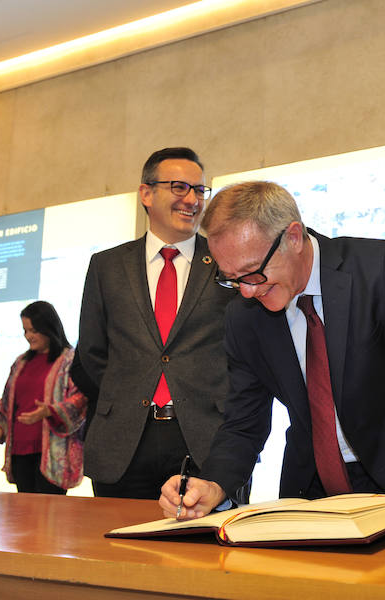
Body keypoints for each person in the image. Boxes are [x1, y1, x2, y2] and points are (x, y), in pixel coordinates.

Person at [159, 181, 385, 551]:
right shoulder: (244, 318)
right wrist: (213, 484)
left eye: (252, 272)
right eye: (231, 279)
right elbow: (243, 422)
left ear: (293, 236)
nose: (246, 291)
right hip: (311, 497)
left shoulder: (380, 268)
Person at [78, 147, 238, 499]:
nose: (192, 200)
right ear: (146, 193)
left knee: (203, 553)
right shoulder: (107, 266)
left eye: (199, 190)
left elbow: (243, 354)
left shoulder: (227, 261)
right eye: (179, 187)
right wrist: (126, 396)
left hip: (207, 440)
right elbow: (90, 355)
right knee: (120, 550)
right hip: (123, 442)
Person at [0, 301, 86, 493]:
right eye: (25, 331)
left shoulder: (69, 360)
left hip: (51, 456)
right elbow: (7, 401)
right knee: (24, 515)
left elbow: (80, 400)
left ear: (49, 328)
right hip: (20, 451)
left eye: (33, 330)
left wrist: (49, 411)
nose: (28, 336)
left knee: (49, 517)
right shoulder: (21, 362)